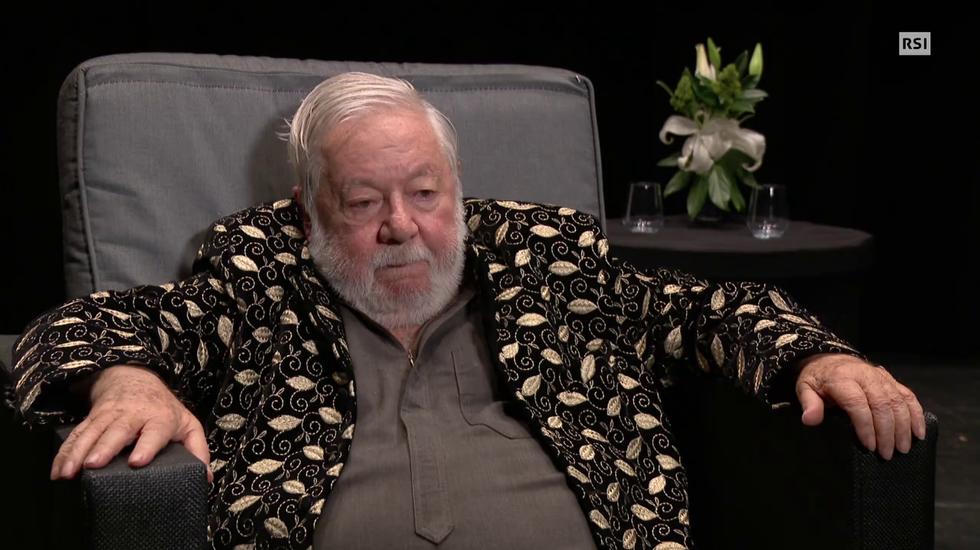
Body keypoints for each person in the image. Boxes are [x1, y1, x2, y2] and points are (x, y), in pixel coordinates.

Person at [8, 72, 926, 550]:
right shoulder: (255, 273)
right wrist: (127, 383)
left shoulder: (551, 262)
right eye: (362, 202)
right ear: (308, 211)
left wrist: (818, 357)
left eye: (425, 192)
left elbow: (708, 307)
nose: (402, 225)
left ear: (458, 188)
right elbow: (77, 325)